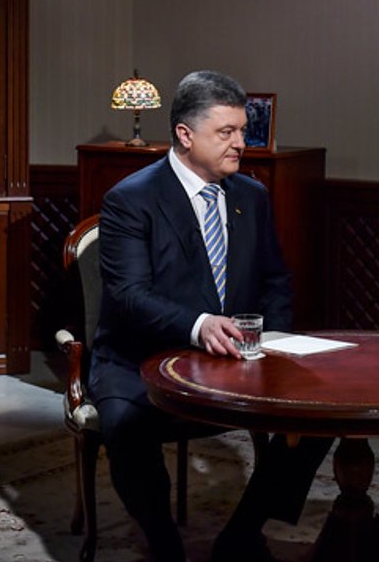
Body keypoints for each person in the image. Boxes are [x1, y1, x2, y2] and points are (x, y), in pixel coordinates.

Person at [89, 70, 333, 562]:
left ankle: (241, 534)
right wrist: (199, 325)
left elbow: (275, 281)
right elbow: (130, 296)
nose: (241, 143)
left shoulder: (251, 195)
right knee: (125, 427)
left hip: (235, 357)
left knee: (323, 414)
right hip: (139, 358)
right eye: (227, 132)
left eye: (242, 130)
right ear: (185, 134)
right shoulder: (131, 199)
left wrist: (273, 344)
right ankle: (165, 546)